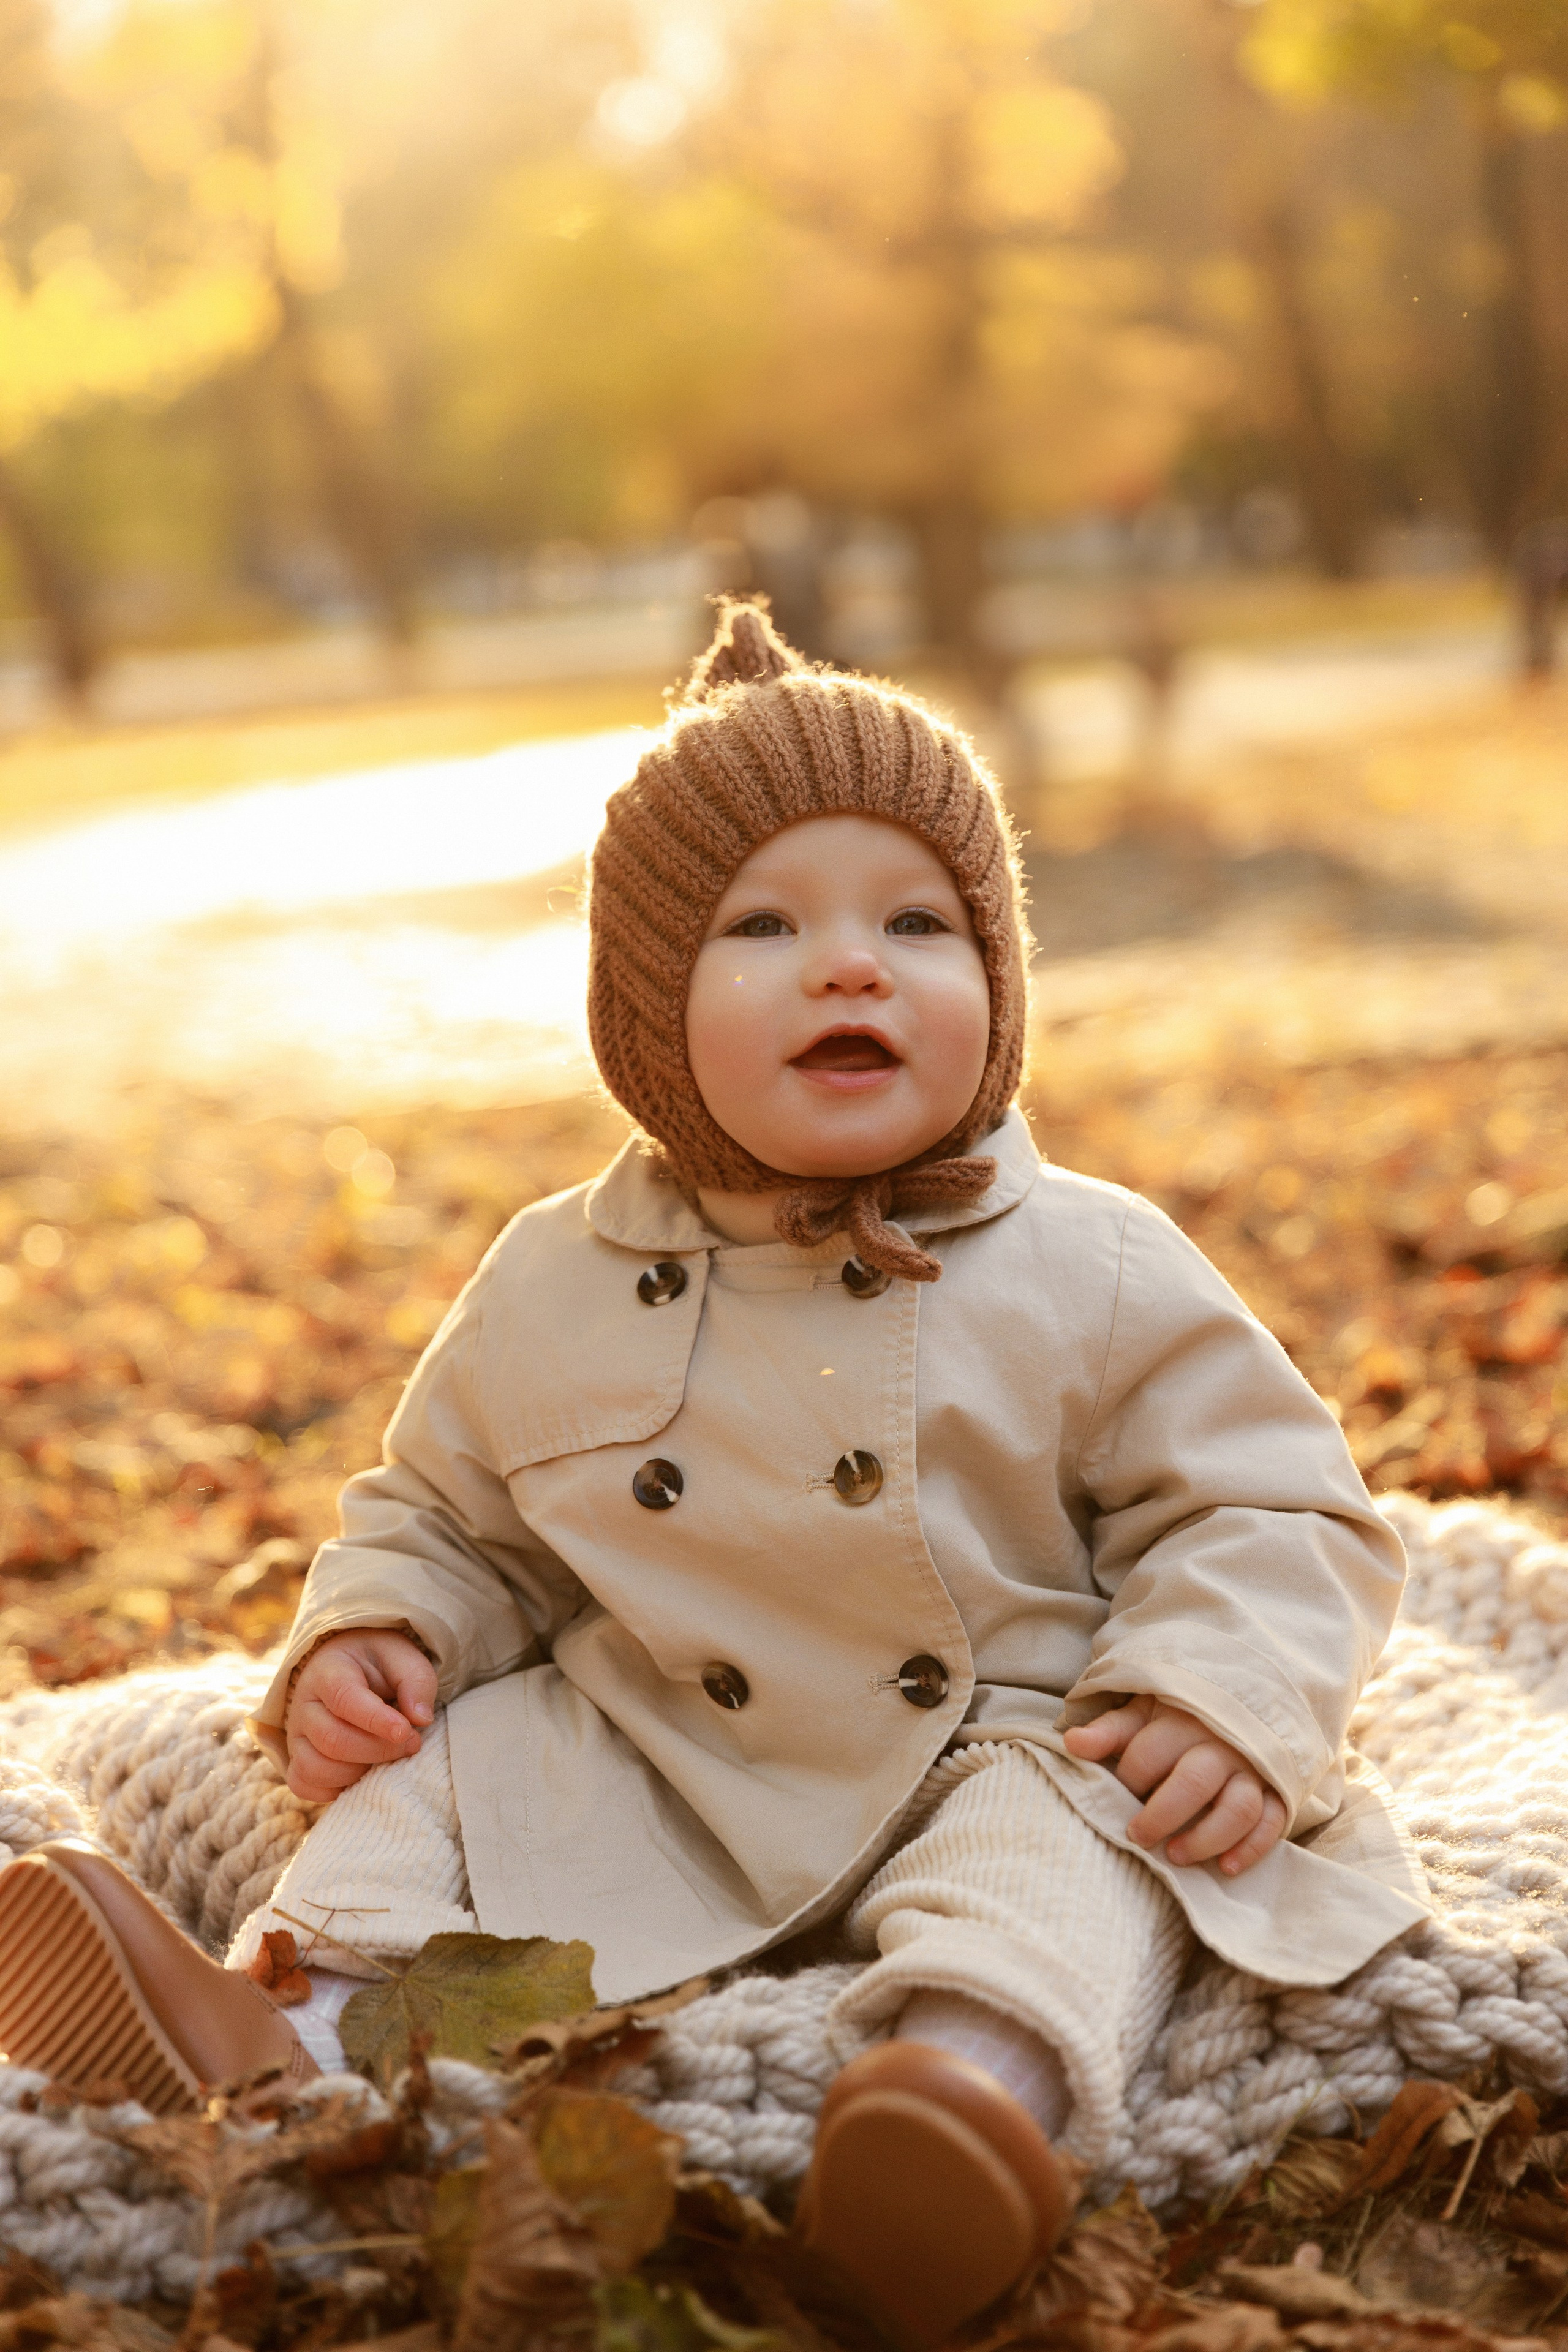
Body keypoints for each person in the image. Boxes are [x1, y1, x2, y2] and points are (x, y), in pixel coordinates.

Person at [0, 603, 1430, 2346]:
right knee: (436, 1789)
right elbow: (452, 1513)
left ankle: (969, 2092)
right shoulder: (556, 1272)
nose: (851, 967)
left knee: (1082, 1848)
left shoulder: (1095, 1259)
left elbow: (1271, 1507)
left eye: (918, 923)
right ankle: (281, 2020)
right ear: (646, 1012)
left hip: (1000, 1729)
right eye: (765, 926)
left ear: (999, 983)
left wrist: (1217, 1691)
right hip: (660, 1742)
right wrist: (384, 1633)